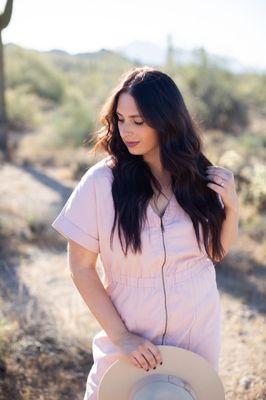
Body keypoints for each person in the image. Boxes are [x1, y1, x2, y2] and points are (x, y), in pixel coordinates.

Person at [51, 66, 239, 400]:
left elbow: (215, 253)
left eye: (138, 121)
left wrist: (232, 208)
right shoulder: (101, 183)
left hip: (196, 329)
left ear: (166, 120)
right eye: (121, 119)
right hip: (130, 335)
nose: (126, 131)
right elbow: (81, 267)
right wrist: (122, 337)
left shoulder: (200, 178)